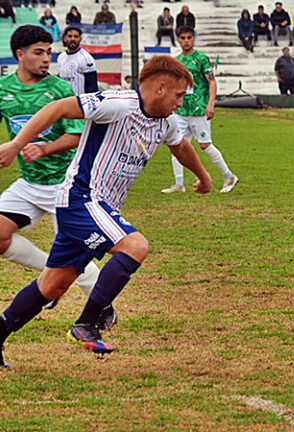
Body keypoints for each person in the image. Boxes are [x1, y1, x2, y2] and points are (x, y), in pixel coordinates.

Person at [0, 55, 213, 368]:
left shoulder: (165, 122)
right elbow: (57, 108)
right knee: (136, 245)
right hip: (81, 198)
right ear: (160, 88)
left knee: (53, 286)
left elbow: (180, 146)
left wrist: (204, 177)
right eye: (179, 96)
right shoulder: (117, 104)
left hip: (100, 207)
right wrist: (17, 143)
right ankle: (88, 323)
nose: (180, 104)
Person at [0, 26, 105, 344]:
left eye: (49, 51)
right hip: (29, 183)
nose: (47, 58)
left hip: (66, 184)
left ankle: (102, 309)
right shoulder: (4, 89)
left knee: (84, 251)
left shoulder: (60, 89)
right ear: (19, 55)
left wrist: (41, 147)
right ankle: (50, 269)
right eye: (38, 52)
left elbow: (78, 135)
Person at [162, 27, 238, 194]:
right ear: (178, 40)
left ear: (194, 39)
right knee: (176, 145)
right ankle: (179, 184)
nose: (186, 40)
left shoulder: (201, 58)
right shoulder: (177, 61)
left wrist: (211, 104)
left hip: (199, 109)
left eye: (189, 37)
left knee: (205, 145)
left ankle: (229, 176)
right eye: (182, 38)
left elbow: (211, 81)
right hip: (182, 111)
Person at [57, 26, 98, 95]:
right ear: (64, 38)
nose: (73, 39)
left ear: (80, 39)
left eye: (76, 36)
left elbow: (92, 87)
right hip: (64, 101)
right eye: (70, 36)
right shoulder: (61, 57)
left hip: (79, 102)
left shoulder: (86, 58)